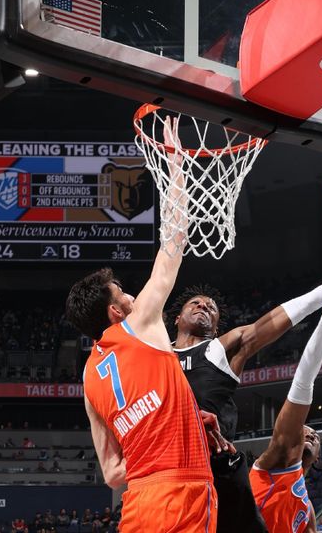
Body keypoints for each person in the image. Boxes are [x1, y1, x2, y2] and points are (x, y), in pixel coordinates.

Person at [171, 220, 322, 532]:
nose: (204, 306)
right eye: (196, 303)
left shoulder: (219, 350)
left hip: (212, 471)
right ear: (177, 317)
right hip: (166, 471)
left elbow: (292, 311)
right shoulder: (157, 355)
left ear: (218, 327)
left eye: (211, 307)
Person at [68, 121, 225, 533]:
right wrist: (176, 169)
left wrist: (179, 421)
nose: (135, 298)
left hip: (138, 504)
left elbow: (113, 473)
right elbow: (174, 242)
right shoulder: (139, 322)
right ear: (116, 313)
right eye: (125, 297)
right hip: (184, 492)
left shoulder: (88, 377)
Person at [249, 290, 322, 532]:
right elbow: (303, 382)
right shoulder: (278, 460)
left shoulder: (307, 508)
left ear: (320, 455)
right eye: (307, 431)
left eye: (317, 437)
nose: (312, 435)